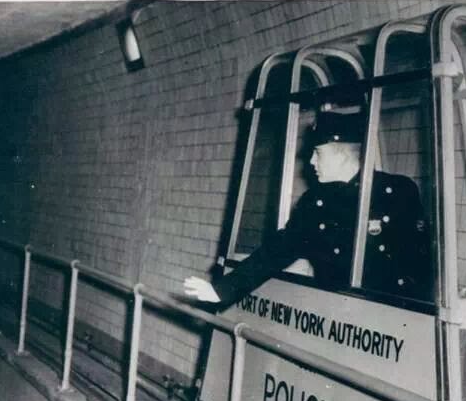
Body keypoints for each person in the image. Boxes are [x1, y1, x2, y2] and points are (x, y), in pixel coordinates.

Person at [183, 110, 431, 308]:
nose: (311, 162)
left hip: (391, 318)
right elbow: (276, 251)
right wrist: (222, 290)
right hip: (337, 316)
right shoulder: (314, 203)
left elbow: (421, 261)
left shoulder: (396, 192)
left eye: (317, 153)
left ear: (342, 155)